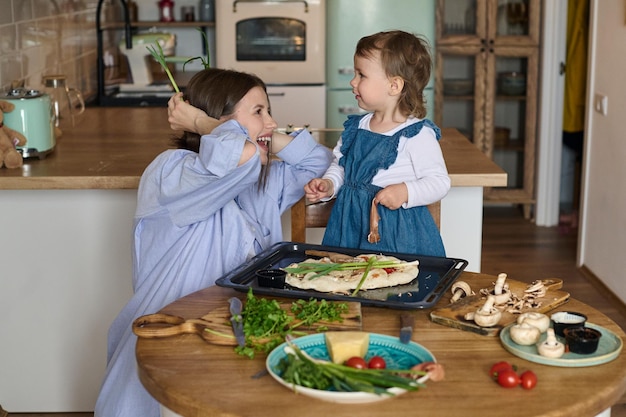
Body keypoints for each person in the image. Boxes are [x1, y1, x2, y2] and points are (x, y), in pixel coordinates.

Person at [94, 68, 332, 416]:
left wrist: (267, 135)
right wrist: (203, 123)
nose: (272, 121)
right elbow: (241, 156)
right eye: (259, 111)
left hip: (231, 337)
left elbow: (321, 162)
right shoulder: (172, 172)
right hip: (172, 338)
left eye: (268, 110)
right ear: (219, 121)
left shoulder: (264, 181)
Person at [304, 30, 450, 257]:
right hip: (348, 227)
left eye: (361, 75)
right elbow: (341, 166)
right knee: (345, 282)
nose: (353, 82)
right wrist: (329, 184)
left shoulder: (416, 134)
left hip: (394, 235)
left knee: (391, 286)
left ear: (394, 86)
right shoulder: (356, 127)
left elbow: (439, 182)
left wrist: (406, 191)